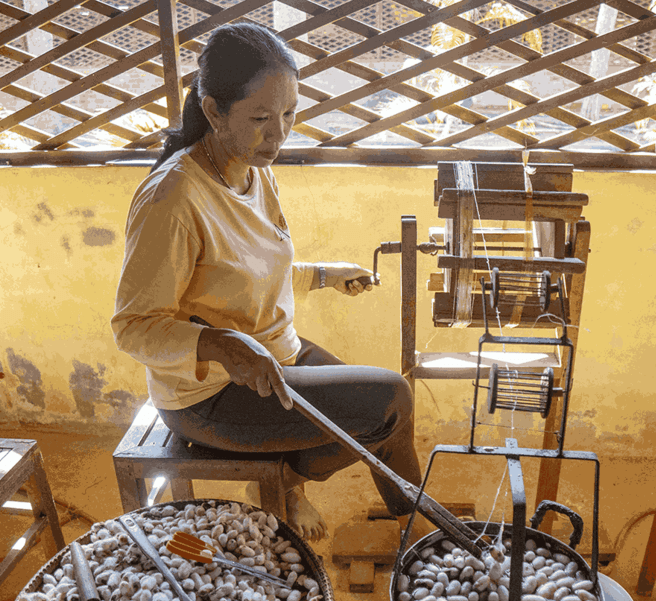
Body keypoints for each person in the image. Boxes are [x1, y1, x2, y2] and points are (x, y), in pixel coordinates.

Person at [111, 22, 427, 543]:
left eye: (289, 114)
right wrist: (221, 346)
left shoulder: (255, 169)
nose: (279, 134)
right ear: (213, 112)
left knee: (385, 414)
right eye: (260, 118)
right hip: (208, 395)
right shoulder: (173, 199)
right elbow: (133, 327)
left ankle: (411, 525)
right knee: (389, 399)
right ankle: (295, 487)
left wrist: (325, 275)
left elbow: (249, 275)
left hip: (277, 356)